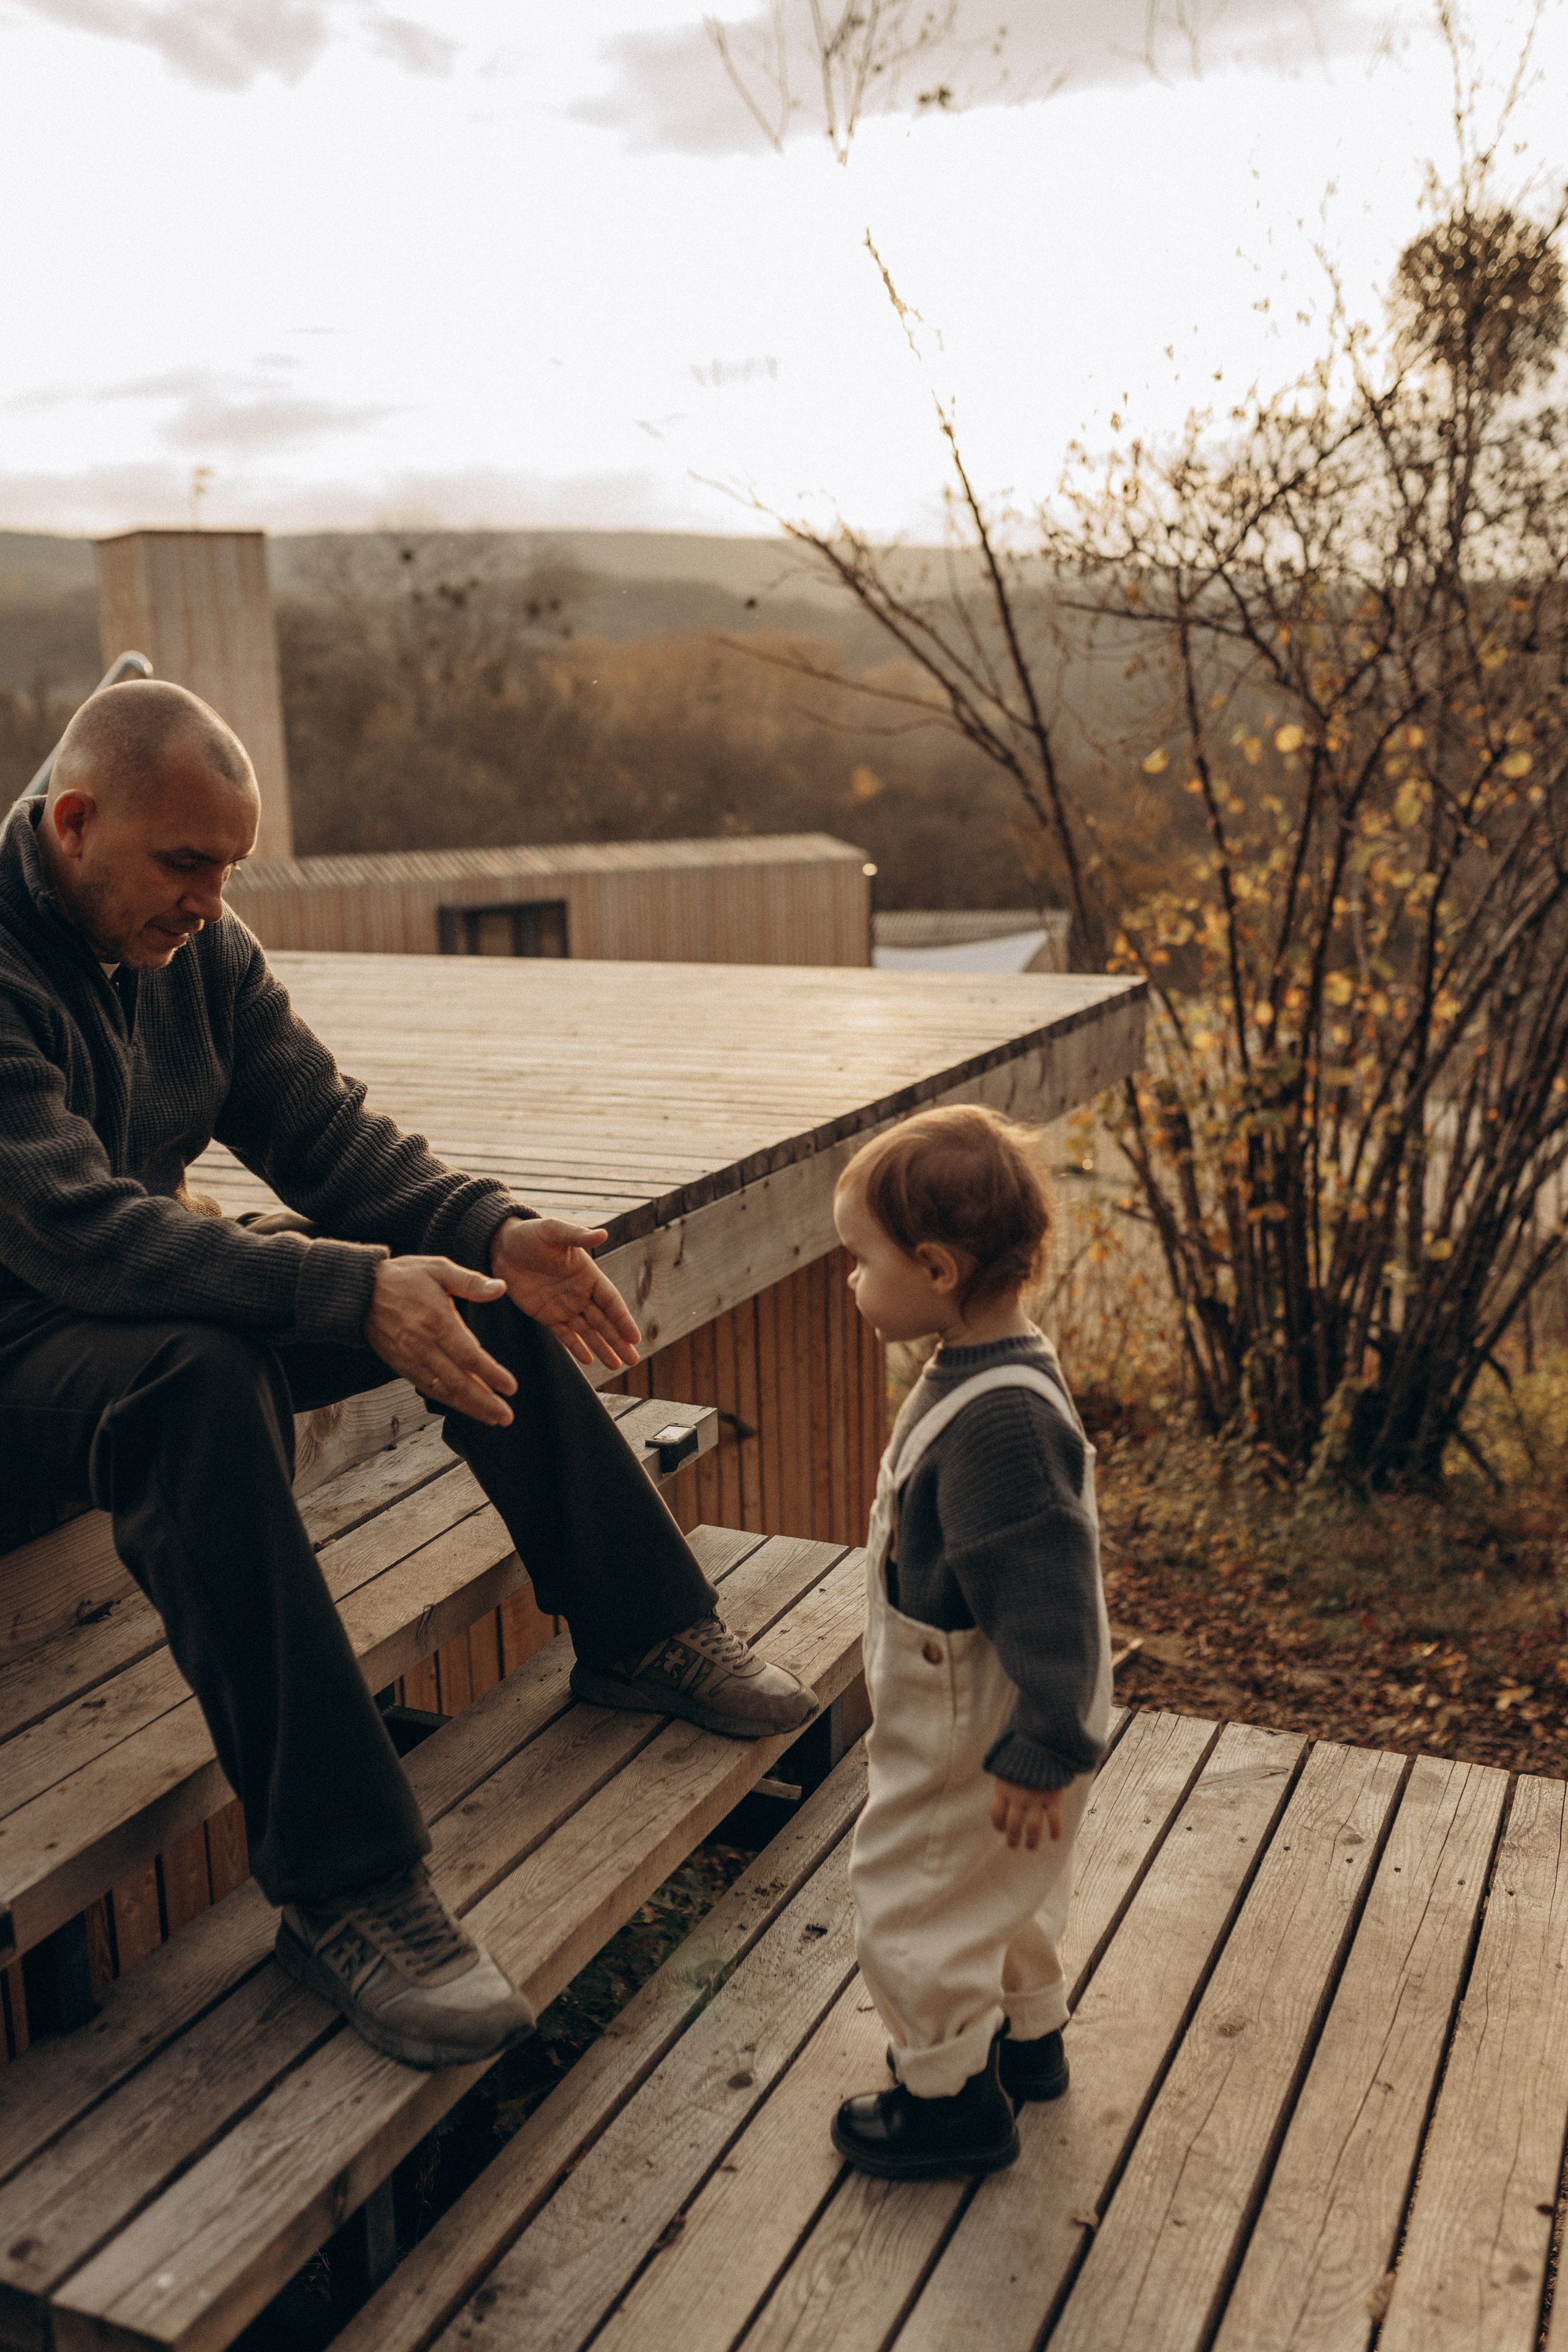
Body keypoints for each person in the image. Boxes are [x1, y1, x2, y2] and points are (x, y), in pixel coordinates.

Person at [0, 679, 814, 2074]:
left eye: (230, 870)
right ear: (73, 824)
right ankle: (347, 1890)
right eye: (185, 864)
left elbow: (321, 1130)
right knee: (199, 1376)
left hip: (129, 1296)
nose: (210, 900)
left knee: (461, 1286)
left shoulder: (195, 944)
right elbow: (79, 1234)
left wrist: (489, 1230)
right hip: (32, 1338)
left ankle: (642, 1630)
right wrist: (339, 1284)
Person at [826, 1105, 1112, 2179]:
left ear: (936, 1268)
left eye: (860, 1259)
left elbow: (1052, 1596)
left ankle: (948, 2103)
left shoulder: (998, 1424)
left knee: (918, 1896)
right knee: (1012, 1888)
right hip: (991, 1700)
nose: (849, 1280)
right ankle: (1027, 2045)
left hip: (982, 1720)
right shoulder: (985, 1363)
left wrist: (1045, 1742)